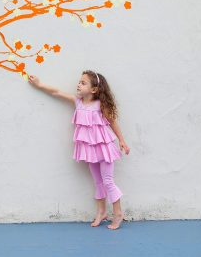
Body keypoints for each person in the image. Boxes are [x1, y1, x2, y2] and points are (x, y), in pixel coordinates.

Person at [28, 70, 130, 230]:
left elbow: (112, 122)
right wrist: (39, 85)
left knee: (108, 181)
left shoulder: (100, 105)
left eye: (83, 83)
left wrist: (122, 141)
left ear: (94, 89)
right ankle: (101, 212)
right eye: (79, 82)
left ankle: (118, 213)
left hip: (104, 148)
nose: (78, 84)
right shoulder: (78, 102)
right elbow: (57, 92)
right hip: (90, 149)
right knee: (97, 181)